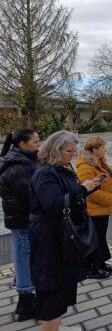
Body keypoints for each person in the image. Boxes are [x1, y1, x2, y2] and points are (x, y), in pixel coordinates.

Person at [29, 130, 102, 331]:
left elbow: (69, 195)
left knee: (62, 286)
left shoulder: (61, 168)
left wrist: (90, 187)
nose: (73, 154)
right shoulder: (45, 173)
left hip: (61, 237)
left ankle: (57, 326)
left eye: (74, 150)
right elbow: (53, 204)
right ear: (56, 150)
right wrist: (83, 189)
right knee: (53, 289)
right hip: (49, 239)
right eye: (69, 151)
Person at [0, 129, 40, 321]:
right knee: (24, 258)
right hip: (23, 220)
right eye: (35, 142)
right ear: (22, 144)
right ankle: (26, 302)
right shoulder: (17, 167)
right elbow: (31, 195)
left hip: (23, 219)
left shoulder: (22, 160)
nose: (39, 145)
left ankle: (25, 297)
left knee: (24, 256)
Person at [75, 136, 112, 280]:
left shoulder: (101, 163)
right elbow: (90, 192)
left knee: (100, 238)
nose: (105, 149)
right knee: (93, 240)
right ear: (94, 150)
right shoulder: (85, 167)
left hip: (103, 209)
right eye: (102, 147)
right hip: (93, 211)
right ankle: (92, 269)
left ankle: (101, 263)